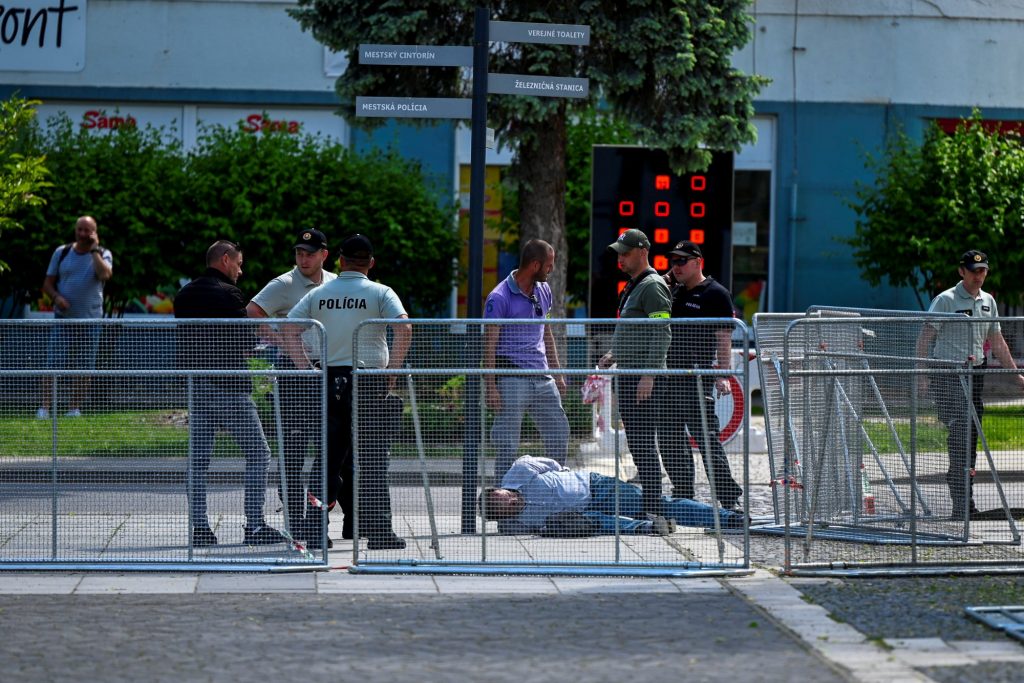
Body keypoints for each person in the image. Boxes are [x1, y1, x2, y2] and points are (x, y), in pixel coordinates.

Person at [286, 234, 412, 550]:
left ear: (340, 261)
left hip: (329, 379)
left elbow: (288, 328)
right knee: (372, 458)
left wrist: (304, 369)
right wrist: (392, 372)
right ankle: (379, 530)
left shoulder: (320, 293)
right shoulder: (381, 292)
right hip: (369, 379)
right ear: (371, 263)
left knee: (328, 457)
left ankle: (315, 531)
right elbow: (404, 328)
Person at [174, 240, 285, 547]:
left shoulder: (184, 295)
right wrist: (269, 344)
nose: (241, 270)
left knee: (198, 461)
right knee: (259, 453)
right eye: (238, 263)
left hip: (197, 385)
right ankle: (255, 526)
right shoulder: (229, 293)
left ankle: (201, 529)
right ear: (225, 260)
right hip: (229, 386)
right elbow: (244, 339)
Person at [915, 249, 1024, 518]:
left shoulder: (988, 301)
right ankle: (961, 504)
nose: (979, 276)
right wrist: (921, 374)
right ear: (961, 271)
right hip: (949, 372)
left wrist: (1014, 374)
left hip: (975, 372)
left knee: (971, 433)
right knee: (961, 432)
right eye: (974, 271)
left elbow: (996, 340)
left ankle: (967, 503)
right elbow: (925, 337)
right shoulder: (946, 300)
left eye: (983, 271)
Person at [247, 228, 337, 547]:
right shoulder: (285, 283)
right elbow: (253, 311)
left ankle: (317, 519)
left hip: (326, 370)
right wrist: (278, 340)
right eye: (299, 252)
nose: (303, 258)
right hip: (294, 373)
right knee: (293, 450)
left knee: (329, 448)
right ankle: (295, 519)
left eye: (310, 253)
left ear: (324, 255)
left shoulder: (334, 283)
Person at [657, 240, 743, 510]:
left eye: (682, 261)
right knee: (670, 440)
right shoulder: (673, 291)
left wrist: (723, 374)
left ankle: (729, 499)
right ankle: (684, 496)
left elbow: (724, 337)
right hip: (669, 377)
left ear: (698, 262)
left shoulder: (716, 293)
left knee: (707, 440)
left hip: (696, 378)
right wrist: (667, 279)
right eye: (673, 261)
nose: (676, 266)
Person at [596, 229, 672, 517]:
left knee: (642, 441)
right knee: (638, 442)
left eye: (626, 253)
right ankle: (650, 506)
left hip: (643, 377)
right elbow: (636, 331)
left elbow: (662, 332)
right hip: (630, 372)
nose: (621, 259)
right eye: (619, 253)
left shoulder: (652, 286)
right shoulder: (635, 285)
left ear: (643, 252)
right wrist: (615, 353)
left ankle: (652, 508)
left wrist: (649, 375)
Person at [480, 455, 744, 535]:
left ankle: (727, 518)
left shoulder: (520, 471)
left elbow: (550, 464)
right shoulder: (523, 521)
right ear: (501, 515)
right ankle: (648, 528)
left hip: (596, 487)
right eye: (501, 507)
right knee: (599, 523)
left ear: (499, 488)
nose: (507, 501)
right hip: (584, 512)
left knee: (657, 503)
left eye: (500, 496)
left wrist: (565, 474)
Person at [484, 239, 570, 481]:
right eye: (549, 266)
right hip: (512, 378)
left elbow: (547, 332)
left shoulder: (543, 290)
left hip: (542, 377)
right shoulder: (499, 297)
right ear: (535, 265)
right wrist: (491, 387)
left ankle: (555, 491)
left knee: (559, 433)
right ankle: (504, 503)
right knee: (508, 445)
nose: (551, 270)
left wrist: (558, 374)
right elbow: (489, 345)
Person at [37, 216, 113, 419]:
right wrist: (56, 297)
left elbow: (105, 275)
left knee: (84, 366)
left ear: (95, 232)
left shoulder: (104, 254)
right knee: (53, 363)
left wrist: (95, 250)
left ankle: (73, 409)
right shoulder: (61, 253)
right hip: (63, 318)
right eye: (80, 229)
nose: (82, 234)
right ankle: (44, 408)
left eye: (87, 230)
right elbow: (47, 283)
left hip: (90, 321)